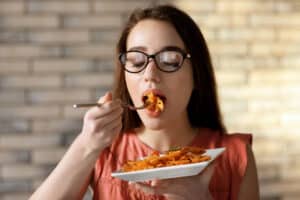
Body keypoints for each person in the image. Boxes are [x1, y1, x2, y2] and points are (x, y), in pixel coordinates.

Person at [29, 5, 259, 200]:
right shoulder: (104, 151)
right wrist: (87, 144)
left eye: (169, 61)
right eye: (137, 61)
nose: (150, 74)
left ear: (197, 74)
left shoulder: (235, 155)